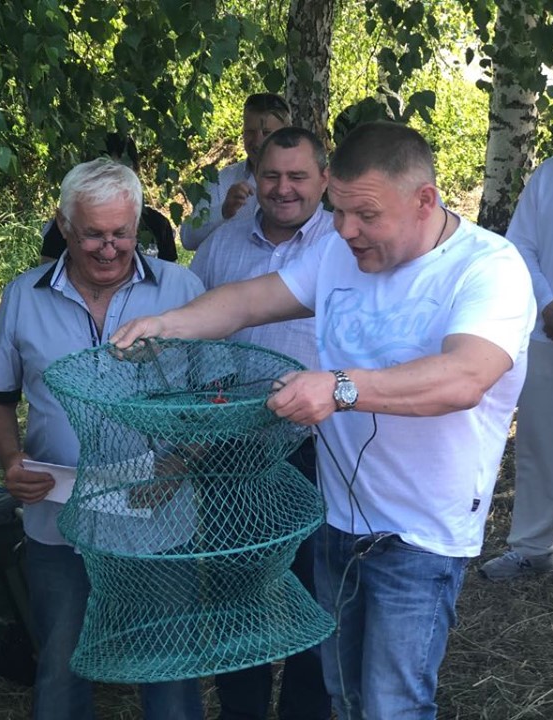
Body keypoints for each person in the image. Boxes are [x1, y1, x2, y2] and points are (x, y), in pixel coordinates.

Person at [112, 122, 536, 719]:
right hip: (339, 520)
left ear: (425, 201)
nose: (345, 230)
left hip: (420, 534)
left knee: (393, 706)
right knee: (343, 694)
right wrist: (168, 324)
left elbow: (464, 377)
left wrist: (338, 389)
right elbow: (250, 299)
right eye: (338, 211)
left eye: (365, 215)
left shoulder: (488, 269)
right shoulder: (341, 252)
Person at [0, 158, 205, 720]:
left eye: (122, 234)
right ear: (64, 225)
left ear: (138, 225)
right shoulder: (24, 296)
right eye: (93, 235)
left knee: (170, 665)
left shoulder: (183, 290)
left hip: (162, 518)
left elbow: (215, 399)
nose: (109, 248)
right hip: (59, 519)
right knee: (60, 663)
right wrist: (10, 460)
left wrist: (180, 462)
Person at [192, 126, 333, 720]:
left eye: (298, 176)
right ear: (254, 175)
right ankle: (242, 711)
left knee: (315, 591)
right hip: (231, 449)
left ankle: (306, 711)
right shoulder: (221, 246)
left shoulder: (345, 245)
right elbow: (193, 338)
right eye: (272, 176)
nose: (283, 189)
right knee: (233, 595)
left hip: (320, 446)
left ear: (324, 179)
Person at [479, 76, 553, 590]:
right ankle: (531, 549)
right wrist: (548, 303)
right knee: (536, 445)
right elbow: (518, 246)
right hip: (546, 336)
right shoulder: (551, 175)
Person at [40, 133, 178, 263]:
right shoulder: (68, 225)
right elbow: (47, 276)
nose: (113, 179)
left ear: (136, 171)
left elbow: (170, 280)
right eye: (92, 234)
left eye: (122, 171)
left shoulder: (158, 225)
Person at [180, 93, 291, 251]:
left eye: (266, 133)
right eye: (250, 132)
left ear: (286, 135)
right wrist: (223, 212)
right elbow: (188, 239)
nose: (258, 141)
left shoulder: (299, 184)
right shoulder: (220, 180)